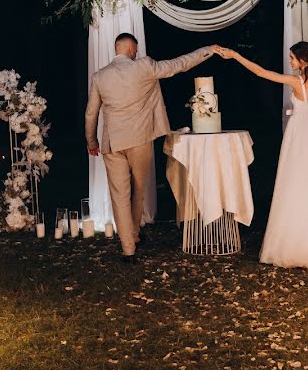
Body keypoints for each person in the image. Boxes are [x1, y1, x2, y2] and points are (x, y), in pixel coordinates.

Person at [214, 42, 308, 275]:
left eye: (293, 58)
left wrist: (236, 55)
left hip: (299, 142)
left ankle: (297, 244)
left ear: (303, 61)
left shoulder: (297, 82)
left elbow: (262, 73)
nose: (290, 61)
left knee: (295, 187)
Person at [85, 33, 218, 261]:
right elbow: (179, 64)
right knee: (138, 190)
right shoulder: (144, 67)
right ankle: (134, 234)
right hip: (139, 140)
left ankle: (129, 248)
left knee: (119, 195)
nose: (136, 53)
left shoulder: (99, 77)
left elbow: (90, 114)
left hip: (112, 143)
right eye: (135, 50)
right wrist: (208, 49)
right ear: (129, 49)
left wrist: (91, 142)